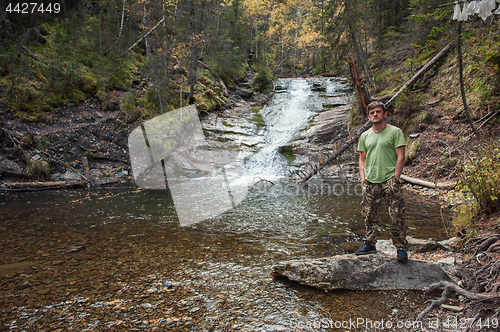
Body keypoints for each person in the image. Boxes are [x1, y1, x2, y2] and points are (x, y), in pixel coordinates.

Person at [356, 101, 409, 261]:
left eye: (378, 112)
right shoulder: (365, 135)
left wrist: (396, 178)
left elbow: (401, 156)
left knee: (396, 214)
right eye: (372, 113)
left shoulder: (395, 132)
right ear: (368, 116)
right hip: (371, 180)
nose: (375, 115)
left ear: (385, 114)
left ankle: (401, 248)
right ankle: (370, 243)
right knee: (369, 214)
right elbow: (362, 159)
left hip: (389, 179)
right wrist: (363, 178)